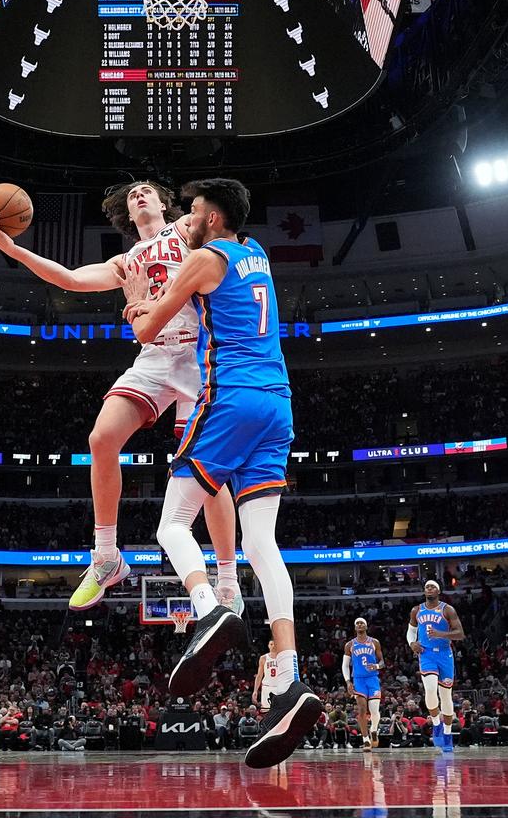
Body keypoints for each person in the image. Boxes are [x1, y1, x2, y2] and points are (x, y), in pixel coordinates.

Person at [123, 178, 321, 768]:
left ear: (210, 219)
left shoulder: (205, 260)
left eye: (192, 212)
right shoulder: (255, 253)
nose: (185, 218)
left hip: (232, 399)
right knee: (262, 542)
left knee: (171, 526)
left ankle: (210, 607)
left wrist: (135, 298)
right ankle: (286, 680)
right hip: (279, 404)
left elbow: (145, 330)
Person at [0, 182, 241, 614]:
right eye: (132, 194)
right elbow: (69, 278)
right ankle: (106, 556)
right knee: (101, 440)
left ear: (162, 203)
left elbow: (224, 230)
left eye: (146, 191)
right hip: (155, 356)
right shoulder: (127, 261)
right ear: (126, 212)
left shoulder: (186, 230)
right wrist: (11, 247)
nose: (138, 195)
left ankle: (228, 578)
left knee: (206, 473)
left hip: (200, 353)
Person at [407, 580, 464, 753]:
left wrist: (441, 633)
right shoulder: (417, 610)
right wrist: (412, 643)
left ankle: (447, 734)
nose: (429, 589)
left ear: (438, 590)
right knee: (430, 689)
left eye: (432, 587)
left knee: (446, 696)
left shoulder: (447, 609)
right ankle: (436, 724)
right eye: (426, 587)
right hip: (427, 654)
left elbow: (460, 634)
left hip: (445, 654)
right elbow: (411, 631)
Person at [343, 617, 384, 750]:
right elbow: (345, 665)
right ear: (355, 628)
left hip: (372, 679)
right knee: (361, 709)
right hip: (358, 680)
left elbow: (382, 662)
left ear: (366, 627)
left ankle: (373, 729)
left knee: (374, 711)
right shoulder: (350, 645)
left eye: (362, 623)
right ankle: (365, 739)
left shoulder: (375, 642)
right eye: (357, 623)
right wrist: (348, 681)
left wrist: (376, 666)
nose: (359, 625)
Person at [253, 639, 278, 713]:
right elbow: (259, 675)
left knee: (279, 712)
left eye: (274, 644)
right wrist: (255, 690)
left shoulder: (282, 657)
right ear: (268, 646)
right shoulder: (263, 658)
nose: (273, 646)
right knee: (266, 712)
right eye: (271, 644)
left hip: (279, 687)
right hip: (267, 687)